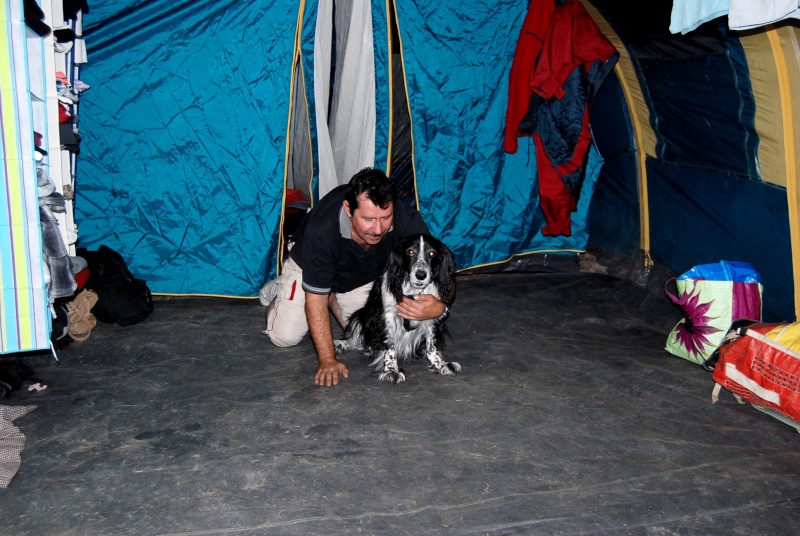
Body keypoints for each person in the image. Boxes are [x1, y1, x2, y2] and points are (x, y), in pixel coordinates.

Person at [262, 167, 451, 387]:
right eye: (369, 219)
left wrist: (440, 306)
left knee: (365, 335)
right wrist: (327, 359)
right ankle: (280, 290)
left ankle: (331, 294)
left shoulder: (406, 218)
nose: (378, 228)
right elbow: (315, 300)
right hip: (310, 266)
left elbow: (441, 268)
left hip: (360, 275)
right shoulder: (323, 227)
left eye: (385, 217)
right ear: (348, 209)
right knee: (285, 336)